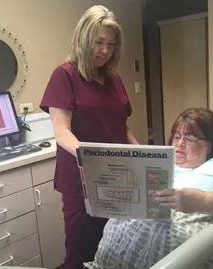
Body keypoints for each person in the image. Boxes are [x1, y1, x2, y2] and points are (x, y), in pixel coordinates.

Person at [40, 5, 138, 269]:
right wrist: (93, 158)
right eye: (98, 42)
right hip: (82, 179)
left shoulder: (114, 80)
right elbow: (61, 130)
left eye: (111, 44)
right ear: (84, 39)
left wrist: (142, 156)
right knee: (82, 248)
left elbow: (122, 127)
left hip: (117, 176)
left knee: (116, 243)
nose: (105, 51)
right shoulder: (65, 75)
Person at [84, 107, 213, 269]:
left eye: (190, 138)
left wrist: (201, 200)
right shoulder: (155, 165)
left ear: (210, 145)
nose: (179, 143)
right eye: (176, 136)